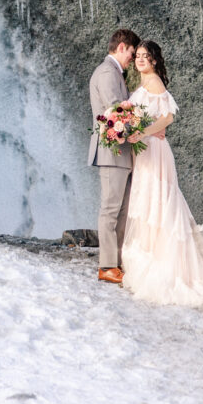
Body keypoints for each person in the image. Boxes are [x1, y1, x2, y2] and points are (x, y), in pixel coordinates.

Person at [121, 41, 203, 306]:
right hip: (145, 150)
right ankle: (152, 255)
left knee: (159, 203)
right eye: (139, 56)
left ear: (155, 60)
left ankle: (167, 264)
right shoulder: (144, 83)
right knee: (148, 203)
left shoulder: (154, 81)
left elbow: (167, 118)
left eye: (146, 56)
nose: (141, 60)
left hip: (155, 150)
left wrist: (143, 132)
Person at [87, 28, 141, 284]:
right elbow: (116, 111)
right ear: (121, 47)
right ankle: (107, 266)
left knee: (121, 210)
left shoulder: (114, 72)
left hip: (120, 153)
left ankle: (116, 263)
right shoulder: (108, 72)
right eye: (132, 52)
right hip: (112, 151)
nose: (133, 58)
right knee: (110, 209)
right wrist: (139, 127)